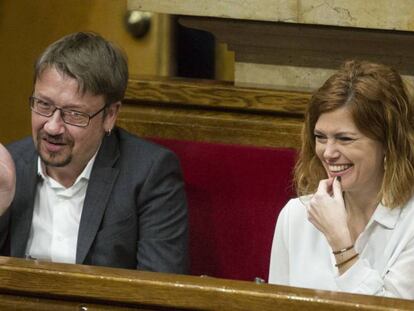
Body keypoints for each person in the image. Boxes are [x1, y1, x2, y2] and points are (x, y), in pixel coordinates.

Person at [0, 32, 188, 273]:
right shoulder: (10, 166)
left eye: (74, 114)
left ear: (110, 115)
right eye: (43, 105)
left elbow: (161, 293)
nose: (52, 127)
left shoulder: (149, 173)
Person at [268, 60, 414, 299]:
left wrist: (341, 246)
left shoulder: (410, 224)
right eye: (321, 137)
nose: (328, 152)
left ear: (389, 143)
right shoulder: (295, 216)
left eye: (345, 139)